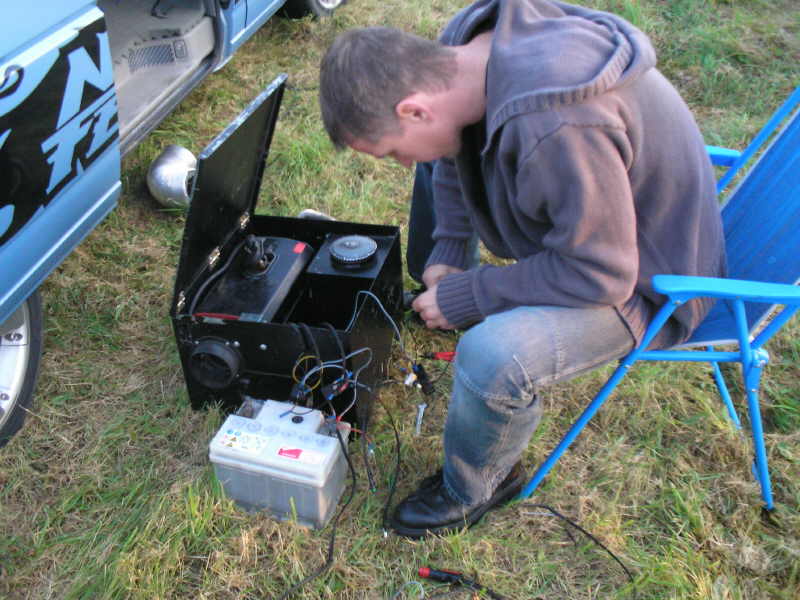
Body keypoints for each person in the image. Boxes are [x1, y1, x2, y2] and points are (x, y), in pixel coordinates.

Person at [318, 0, 726, 539]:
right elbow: (450, 156)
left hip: (654, 280)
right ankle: (444, 290)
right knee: (439, 156)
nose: (402, 162)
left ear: (414, 109)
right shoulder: (465, 50)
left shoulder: (554, 124)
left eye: (391, 151)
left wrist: (472, 295)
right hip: (602, 229)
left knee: (491, 355)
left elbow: (600, 274)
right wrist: (449, 250)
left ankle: (476, 486)